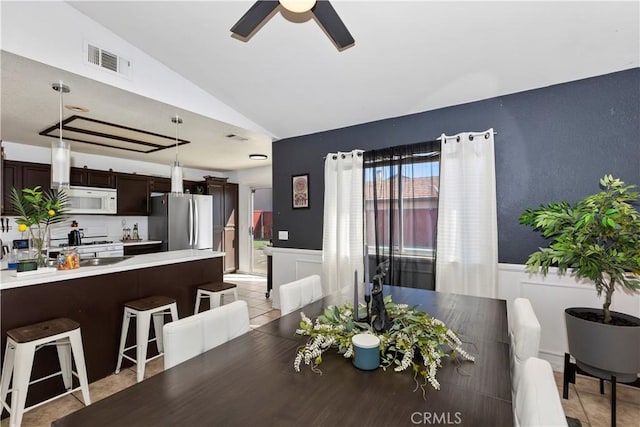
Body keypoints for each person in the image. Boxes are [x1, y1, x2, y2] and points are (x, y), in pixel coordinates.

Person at [370, 260, 391, 332]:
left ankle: (382, 322)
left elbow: (378, 287)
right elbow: (377, 287)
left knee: (379, 307)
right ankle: (377, 322)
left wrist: (375, 291)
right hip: (377, 293)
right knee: (377, 307)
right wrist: (375, 291)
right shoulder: (377, 277)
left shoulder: (378, 277)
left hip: (377, 293)